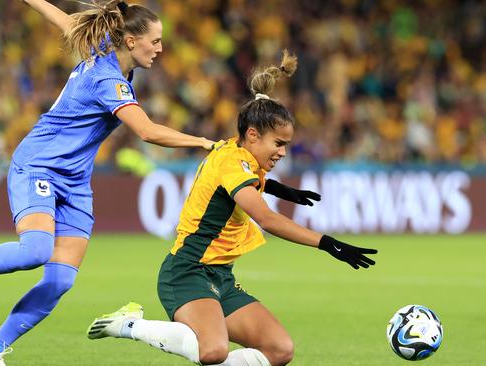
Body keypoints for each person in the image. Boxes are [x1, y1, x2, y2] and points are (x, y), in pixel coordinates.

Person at [0, 1, 215, 365]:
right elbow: (146, 131)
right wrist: (203, 142)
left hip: (76, 182)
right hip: (39, 165)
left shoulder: (103, 51)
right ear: (130, 41)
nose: (161, 49)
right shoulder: (108, 80)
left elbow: (66, 22)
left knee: (60, 281)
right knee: (35, 250)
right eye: (155, 41)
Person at [85, 51, 377, 366]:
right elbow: (265, 218)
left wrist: (281, 188)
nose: (282, 152)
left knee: (280, 349)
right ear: (252, 135)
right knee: (212, 351)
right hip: (187, 272)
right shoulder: (232, 162)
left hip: (221, 276)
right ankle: (130, 324)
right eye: (278, 144)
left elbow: (248, 179)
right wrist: (328, 243)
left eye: (286, 146)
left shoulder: (237, 151)